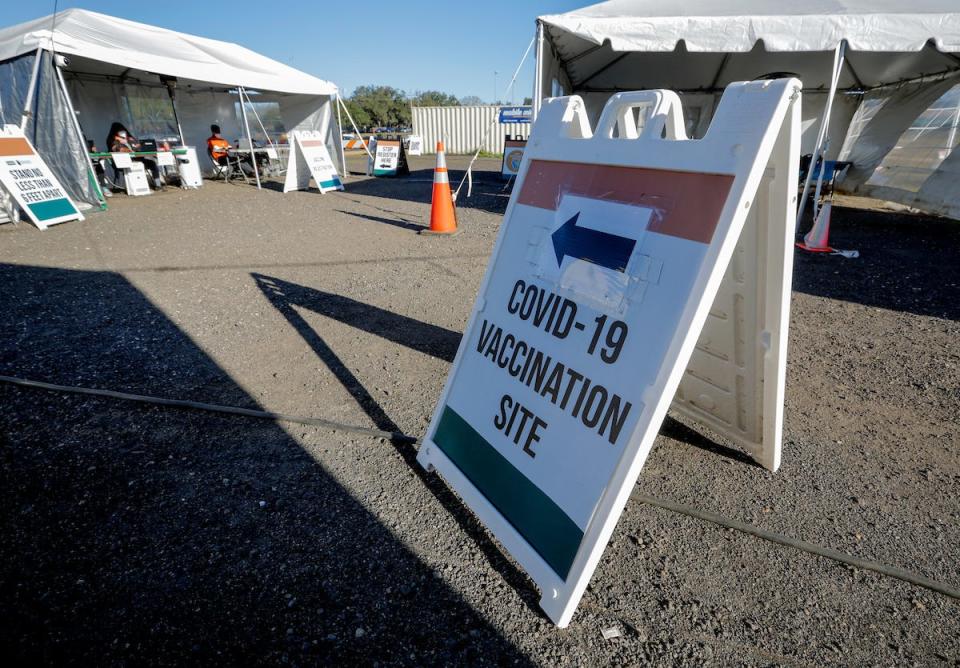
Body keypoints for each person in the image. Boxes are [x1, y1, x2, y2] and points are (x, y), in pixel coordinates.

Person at [106, 122, 163, 190]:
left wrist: (139, 146)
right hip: (122, 162)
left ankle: (158, 185)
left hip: (136, 160)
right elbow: (117, 149)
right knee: (134, 165)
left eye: (122, 130)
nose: (122, 132)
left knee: (152, 163)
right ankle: (132, 187)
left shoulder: (129, 139)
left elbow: (137, 147)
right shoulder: (112, 140)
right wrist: (127, 148)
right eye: (119, 130)